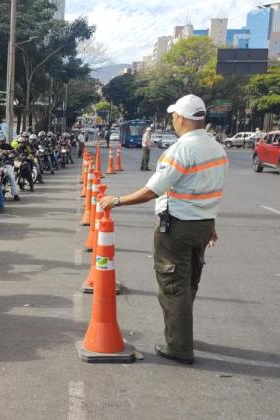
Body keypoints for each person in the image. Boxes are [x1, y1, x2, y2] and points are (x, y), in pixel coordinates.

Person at [99, 94, 228, 365]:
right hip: (202, 226)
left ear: (181, 118)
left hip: (178, 226)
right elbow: (210, 188)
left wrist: (117, 200)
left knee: (172, 286)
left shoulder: (182, 150)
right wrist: (211, 222)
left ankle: (179, 347)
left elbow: (151, 191)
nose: (172, 121)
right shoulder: (217, 148)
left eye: (173, 116)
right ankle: (183, 333)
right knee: (189, 280)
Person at [0, 133, 21, 201]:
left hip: (7, 164)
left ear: (4, 141)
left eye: (1, 141)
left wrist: (9, 153)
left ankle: (15, 194)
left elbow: (15, 152)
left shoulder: (8, 146)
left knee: (12, 177)